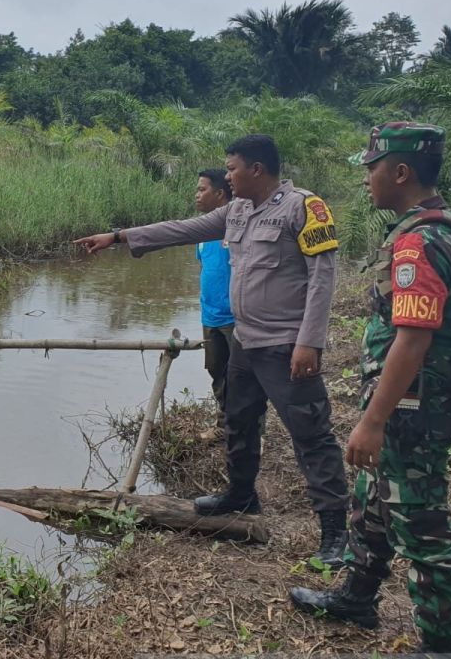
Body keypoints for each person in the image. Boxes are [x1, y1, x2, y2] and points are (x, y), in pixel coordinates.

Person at [75, 134, 349, 567]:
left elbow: (322, 278)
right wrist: (119, 236)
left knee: (311, 437)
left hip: (285, 346)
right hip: (245, 341)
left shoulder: (303, 207)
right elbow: (183, 229)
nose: (228, 176)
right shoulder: (238, 210)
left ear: (256, 169)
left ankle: (336, 532)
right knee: (239, 421)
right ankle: (241, 495)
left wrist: (309, 342)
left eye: (233, 168)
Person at [290, 123, 451, 654]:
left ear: (400, 172)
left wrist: (372, 421)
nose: (366, 178)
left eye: (371, 167)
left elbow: (413, 340)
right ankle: (357, 597)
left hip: (412, 408)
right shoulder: (446, 225)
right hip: (404, 403)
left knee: (421, 522)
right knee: (370, 504)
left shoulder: (420, 242)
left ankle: (441, 644)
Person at [194, 169, 235, 438]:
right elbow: (206, 267)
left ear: (219, 194)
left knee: (244, 376)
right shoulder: (199, 230)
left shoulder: (240, 225)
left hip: (237, 317)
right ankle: (223, 426)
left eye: (202, 190)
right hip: (210, 316)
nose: (197, 195)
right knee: (216, 372)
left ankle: (254, 432)